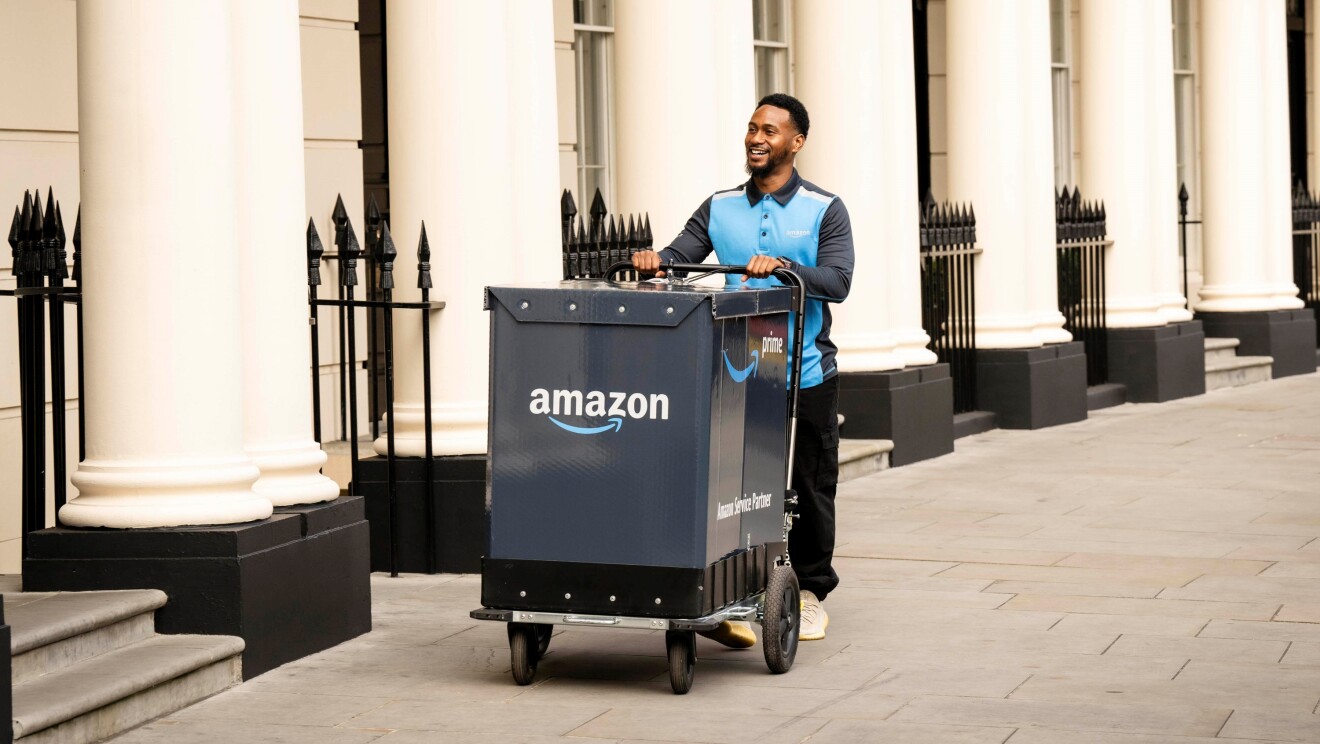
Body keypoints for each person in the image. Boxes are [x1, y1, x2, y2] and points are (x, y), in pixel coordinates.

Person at [632, 93, 854, 644]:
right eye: (753, 128)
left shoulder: (825, 209)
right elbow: (681, 254)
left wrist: (784, 267)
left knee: (806, 486)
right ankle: (732, 592)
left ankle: (808, 593)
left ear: (796, 142)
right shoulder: (720, 205)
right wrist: (657, 261)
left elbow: (838, 281)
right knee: (730, 486)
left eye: (770, 131)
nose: (757, 138)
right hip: (737, 376)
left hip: (804, 374)